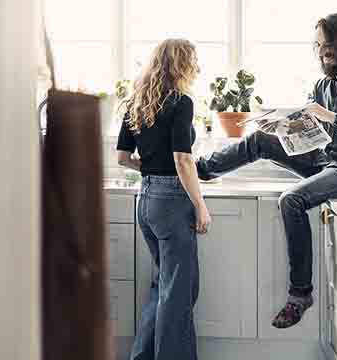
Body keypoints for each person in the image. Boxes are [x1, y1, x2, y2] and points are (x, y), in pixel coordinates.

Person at [197, 13, 337, 329]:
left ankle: (300, 293)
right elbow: (311, 134)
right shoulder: (322, 84)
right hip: (326, 158)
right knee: (261, 139)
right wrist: (281, 127)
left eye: (329, 47)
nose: (322, 53)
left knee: (291, 199)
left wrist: (329, 117)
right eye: (318, 46)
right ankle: (199, 170)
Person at [116, 39, 210, 360]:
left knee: (163, 288)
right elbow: (183, 159)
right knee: (178, 294)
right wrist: (200, 205)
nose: (195, 66)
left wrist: (153, 168)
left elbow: (123, 157)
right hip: (172, 201)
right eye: (192, 59)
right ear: (182, 63)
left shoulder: (138, 102)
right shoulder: (181, 102)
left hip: (147, 199)